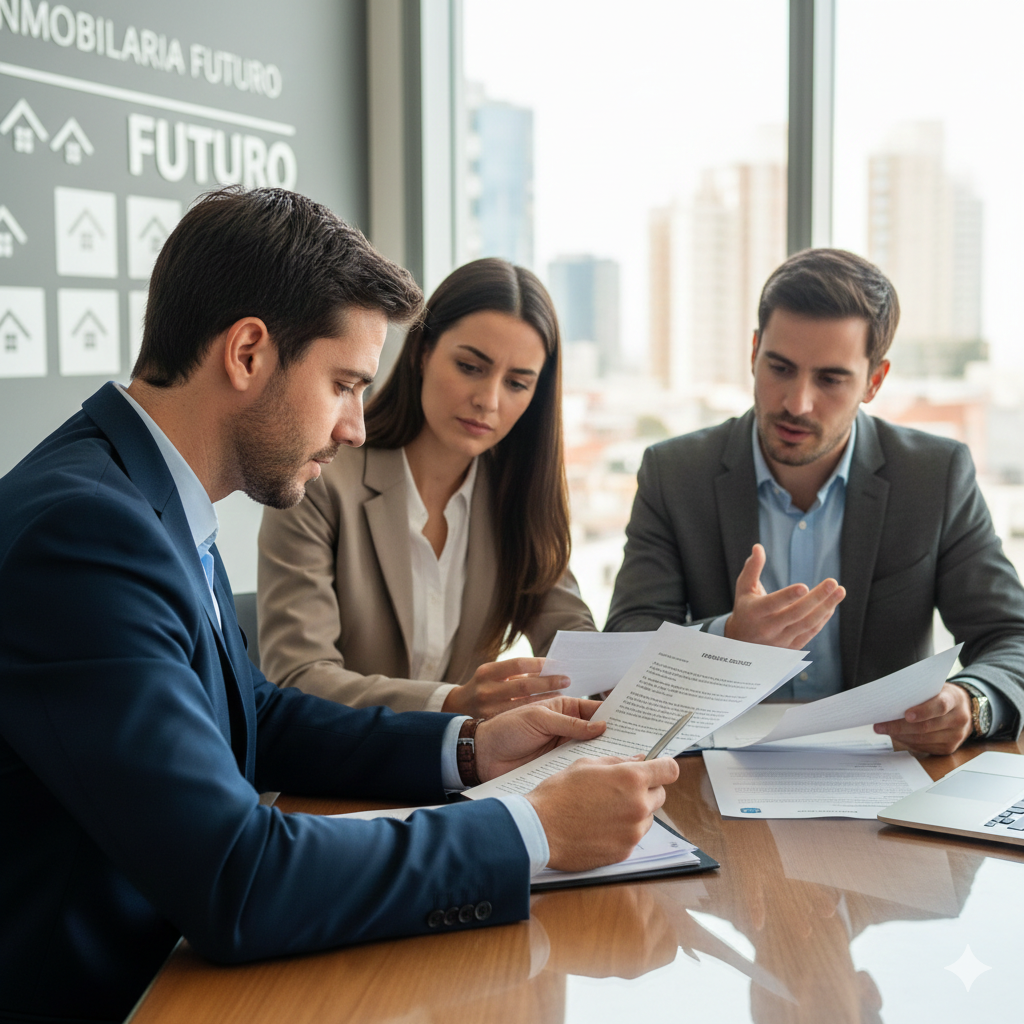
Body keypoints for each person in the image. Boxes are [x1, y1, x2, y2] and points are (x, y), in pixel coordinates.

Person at [0, 188, 678, 1024]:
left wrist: (470, 750)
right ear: (248, 352)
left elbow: (254, 713)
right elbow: (237, 879)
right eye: (346, 383)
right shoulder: (87, 532)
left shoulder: (147, 496)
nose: (357, 425)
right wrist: (531, 829)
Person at [607, 248, 1024, 755]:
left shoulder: (935, 476)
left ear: (874, 381)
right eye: (779, 367)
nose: (796, 403)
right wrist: (727, 639)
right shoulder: (674, 473)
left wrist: (972, 700)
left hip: (882, 769)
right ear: (754, 352)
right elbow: (625, 641)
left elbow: (1011, 637)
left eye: (830, 379)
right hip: (712, 766)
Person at [257, 258, 594, 717]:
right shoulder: (319, 479)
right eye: (471, 366)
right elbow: (297, 677)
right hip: (340, 775)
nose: (488, 400)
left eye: (517, 383)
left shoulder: (517, 494)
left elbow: (575, 645)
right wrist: (452, 703)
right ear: (422, 352)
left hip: (467, 778)